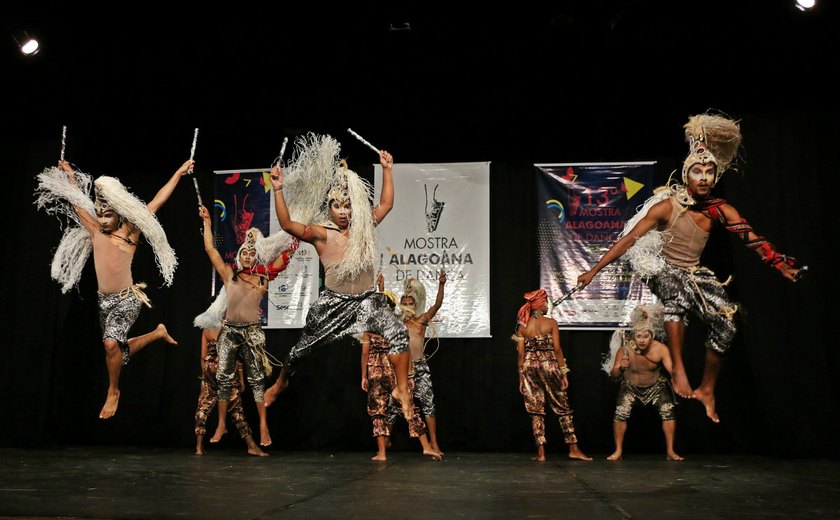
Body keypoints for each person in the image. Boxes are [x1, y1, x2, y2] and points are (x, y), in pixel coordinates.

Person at [577, 112, 804, 423]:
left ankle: (707, 389)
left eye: (710, 172)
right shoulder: (666, 208)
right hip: (659, 267)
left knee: (727, 322)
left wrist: (780, 264)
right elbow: (629, 239)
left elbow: (751, 238)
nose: (704, 178)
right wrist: (593, 271)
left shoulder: (719, 210)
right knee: (676, 294)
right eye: (697, 171)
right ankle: (679, 369)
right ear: (687, 175)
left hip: (694, 273)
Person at [262, 133, 414, 419]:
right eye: (337, 206)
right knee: (298, 352)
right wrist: (278, 189)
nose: (343, 212)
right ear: (329, 208)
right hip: (333, 302)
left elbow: (386, 204)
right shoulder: (322, 234)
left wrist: (387, 170)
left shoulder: (364, 227)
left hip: (367, 300)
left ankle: (402, 389)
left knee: (398, 333)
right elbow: (287, 224)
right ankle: (280, 383)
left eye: (347, 206)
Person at [35, 158, 192, 419]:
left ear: (119, 214)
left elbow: (157, 201)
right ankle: (156, 334)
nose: (103, 220)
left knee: (110, 345)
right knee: (118, 351)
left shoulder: (131, 232)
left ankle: (113, 391)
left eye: (108, 215)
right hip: (103, 301)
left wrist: (177, 173)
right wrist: (71, 175)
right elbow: (76, 201)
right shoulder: (96, 230)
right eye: (100, 215)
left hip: (127, 299)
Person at [198, 204, 299, 447]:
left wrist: (296, 230)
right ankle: (221, 424)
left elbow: (288, 253)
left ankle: (263, 427)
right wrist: (208, 223)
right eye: (244, 252)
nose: (248, 255)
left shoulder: (263, 276)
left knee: (255, 380)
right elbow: (210, 249)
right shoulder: (229, 275)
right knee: (223, 377)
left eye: (252, 253)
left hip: (252, 330)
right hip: (230, 330)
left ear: (256, 257)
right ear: (239, 255)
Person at [360, 291, 441, 461]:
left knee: (399, 408)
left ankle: (428, 446)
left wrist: (408, 375)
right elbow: (366, 354)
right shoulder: (381, 326)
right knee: (384, 410)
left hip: (387, 371)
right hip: (382, 372)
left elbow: (403, 352)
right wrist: (364, 376)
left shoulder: (393, 325)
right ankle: (386, 451)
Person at [515, 289, 591, 462]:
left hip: (529, 367)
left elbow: (520, 355)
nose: (548, 304)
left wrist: (521, 376)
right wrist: (563, 372)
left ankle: (541, 453)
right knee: (562, 406)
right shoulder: (551, 323)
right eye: (546, 301)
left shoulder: (523, 327)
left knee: (535, 409)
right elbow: (557, 349)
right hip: (549, 365)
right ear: (540, 304)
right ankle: (573, 448)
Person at [603, 304, 682, 461]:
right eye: (639, 337)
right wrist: (620, 367)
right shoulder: (625, 350)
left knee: (668, 411)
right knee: (620, 413)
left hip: (656, 386)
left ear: (651, 336)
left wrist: (678, 383)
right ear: (634, 337)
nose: (642, 340)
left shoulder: (661, 349)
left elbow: (673, 371)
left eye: (646, 337)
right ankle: (618, 451)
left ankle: (670, 451)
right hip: (630, 386)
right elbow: (614, 375)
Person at [192, 302, 268, 457]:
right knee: (232, 410)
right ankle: (251, 446)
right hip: (220, 374)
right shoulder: (228, 330)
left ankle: (199, 448)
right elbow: (207, 356)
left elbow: (203, 356)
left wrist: (205, 375)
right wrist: (239, 379)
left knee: (205, 408)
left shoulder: (210, 329)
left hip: (214, 373)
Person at [385, 271, 447, 456]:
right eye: (404, 303)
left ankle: (433, 443)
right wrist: (381, 288)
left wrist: (441, 285)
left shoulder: (421, 321)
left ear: (416, 304)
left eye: (411, 303)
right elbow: (383, 309)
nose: (407, 306)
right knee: (392, 406)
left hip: (420, 368)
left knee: (428, 404)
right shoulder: (396, 322)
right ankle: (385, 439)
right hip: (401, 370)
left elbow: (437, 305)